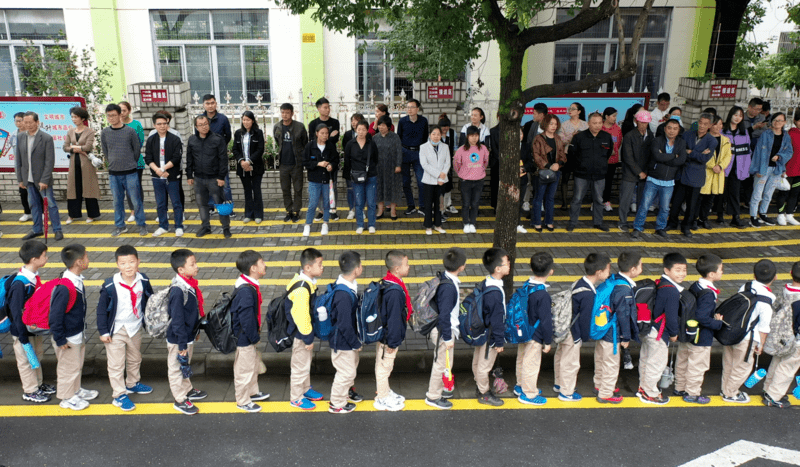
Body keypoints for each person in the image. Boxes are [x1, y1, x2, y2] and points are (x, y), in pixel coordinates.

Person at [96, 245, 155, 412]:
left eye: (131, 262)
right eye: (123, 263)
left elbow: (150, 299)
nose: (128, 266)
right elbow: (101, 310)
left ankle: (132, 383)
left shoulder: (143, 280)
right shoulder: (110, 285)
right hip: (116, 329)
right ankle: (119, 394)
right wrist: (103, 331)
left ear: (138, 262)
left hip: (135, 326)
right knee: (116, 364)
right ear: (117, 264)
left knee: (135, 357)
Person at [552, 253, 611, 401]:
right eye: (608, 269)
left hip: (565, 327)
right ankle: (566, 392)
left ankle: (559, 384)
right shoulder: (588, 294)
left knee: (560, 356)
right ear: (599, 272)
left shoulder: (580, 282)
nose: (609, 272)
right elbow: (585, 319)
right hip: (573, 332)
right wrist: (585, 337)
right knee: (571, 363)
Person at [721, 259, 776, 404]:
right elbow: (764, 326)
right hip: (748, 338)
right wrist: (761, 345)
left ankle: (725, 388)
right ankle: (731, 394)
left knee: (729, 363)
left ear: (754, 274)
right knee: (742, 367)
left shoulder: (746, 286)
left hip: (731, 331)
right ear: (775, 277)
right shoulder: (768, 298)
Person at [50, 244, 97, 411]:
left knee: (76, 365)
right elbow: (55, 316)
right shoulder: (65, 287)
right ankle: (66, 397)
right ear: (78, 262)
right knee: (67, 368)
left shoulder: (75, 280)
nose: (88, 260)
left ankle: (75, 390)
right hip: (68, 337)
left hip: (77, 333)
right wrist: (59, 338)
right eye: (86, 257)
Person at [7, 240, 55, 403]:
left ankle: (38, 384)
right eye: (44, 255)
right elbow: (15, 311)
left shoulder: (33, 276)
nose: (46, 258)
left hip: (32, 327)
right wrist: (22, 336)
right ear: (34, 259)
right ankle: (30, 390)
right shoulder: (21, 283)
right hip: (22, 331)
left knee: (36, 356)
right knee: (26, 361)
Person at [674, 254, 725, 405]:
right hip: (701, 337)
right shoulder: (708, 294)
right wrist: (717, 323)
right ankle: (692, 393)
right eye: (721, 270)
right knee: (697, 366)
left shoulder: (696, 286)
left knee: (682, 361)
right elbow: (702, 317)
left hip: (688, 332)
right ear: (711, 274)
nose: (722, 272)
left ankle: (680, 387)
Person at [637, 252, 686, 405]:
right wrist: (673, 334)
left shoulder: (661, 283)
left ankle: (643, 388)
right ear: (667, 270)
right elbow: (671, 317)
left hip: (649, 329)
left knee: (646, 359)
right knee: (656, 363)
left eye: (684, 270)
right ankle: (650, 393)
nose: (682, 273)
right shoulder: (671, 290)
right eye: (678, 270)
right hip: (659, 332)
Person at [595, 252, 641, 404]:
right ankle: (606, 393)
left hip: (602, 327)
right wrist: (626, 337)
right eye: (641, 265)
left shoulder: (613, 279)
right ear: (633, 270)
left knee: (601, 358)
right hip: (613, 333)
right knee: (611, 363)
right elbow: (624, 315)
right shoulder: (624, 289)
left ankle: (599, 384)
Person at [167, 249, 208, 415]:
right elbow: (177, 319)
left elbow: (191, 313)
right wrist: (182, 343)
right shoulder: (178, 290)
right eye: (192, 264)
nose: (196, 266)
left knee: (184, 364)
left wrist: (194, 331)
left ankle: (187, 389)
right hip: (179, 338)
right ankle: (180, 399)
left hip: (186, 336)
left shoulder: (189, 284)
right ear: (181, 270)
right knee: (176, 367)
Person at [424, 247, 466, 409]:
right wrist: (448, 338)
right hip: (444, 331)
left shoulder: (445, 279)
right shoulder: (448, 287)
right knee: (441, 363)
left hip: (443, 330)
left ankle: (444, 388)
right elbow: (445, 315)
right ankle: (433, 396)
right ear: (461, 266)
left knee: (446, 362)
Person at [631, 119, 687, 238]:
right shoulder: (657, 140)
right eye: (669, 128)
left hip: (669, 182)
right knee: (644, 205)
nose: (672, 131)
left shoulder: (681, 143)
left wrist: (665, 158)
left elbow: (681, 160)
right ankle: (637, 227)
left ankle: (660, 228)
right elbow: (657, 156)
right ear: (665, 129)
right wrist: (673, 156)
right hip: (653, 179)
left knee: (665, 208)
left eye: (675, 128)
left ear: (678, 130)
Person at [230, 250, 270, 413]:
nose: (265, 264)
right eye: (262, 262)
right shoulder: (247, 291)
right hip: (245, 337)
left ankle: (252, 393)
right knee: (244, 369)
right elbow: (246, 318)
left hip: (248, 336)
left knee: (252, 366)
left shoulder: (247, 285)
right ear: (253, 268)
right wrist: (254, 337)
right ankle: (242, 400)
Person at [666, 113, 717, 237]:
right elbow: (680, 151)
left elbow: (704, 158)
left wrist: (690, 152)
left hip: (696, 176)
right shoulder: (688, 134)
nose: (702, 126)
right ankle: (672, 223)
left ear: (710, 125)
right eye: (700, 123)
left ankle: (686, 226)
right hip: (682, 173)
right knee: (676, 201)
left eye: (705, 124)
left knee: (692, 204)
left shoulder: (712, 141)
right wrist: (695, 153)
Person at [16, 111, 64, 241]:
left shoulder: (46, 138)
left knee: (51, 204)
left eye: (31, 122)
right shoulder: (20, 137)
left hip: (43, 180)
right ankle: (37, 229)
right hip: (28, 179)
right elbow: (18, 160)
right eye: (25, 123)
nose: (28, 125)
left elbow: (50, 162)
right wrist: (20, 179)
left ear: (37, 122)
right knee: (33, 205)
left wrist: (44, 180)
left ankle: (57, 230)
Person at [374, 250, 412, 412]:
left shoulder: (388, 282)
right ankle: (382, 398)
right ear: (397, 269)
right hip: (388, 338)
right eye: (406, 264)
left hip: (385, 334)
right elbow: (394, 319)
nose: (409, 267)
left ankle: (385, 391)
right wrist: (393, 341)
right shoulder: (395, 292)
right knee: (384, 367)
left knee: (383, 364)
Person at [287, 248, 324, 410]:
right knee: (300, 366)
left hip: (303, 332)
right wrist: (308, 337)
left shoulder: (307, 282)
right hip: (301, 334)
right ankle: (296, 397)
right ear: (308, 268)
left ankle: (305, 389)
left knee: (305, 363)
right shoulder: (302, 289)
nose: (322, 267)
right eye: (320, 264)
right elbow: (301, 316)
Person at [516, 252, 555, 406]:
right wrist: (548, 341)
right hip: (535, 335)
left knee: (522, 359)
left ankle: (520, 386)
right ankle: (529, 394)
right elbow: (546, 321)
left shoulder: (527, 285)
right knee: (531, 364)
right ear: (551, 271)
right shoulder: (543, 295)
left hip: (523, 330)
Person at [329, 251, 365, 414]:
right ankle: (336, 403)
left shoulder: (347, 285)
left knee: (350, 369)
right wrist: (355, 343)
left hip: (346, 339)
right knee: (346, 372)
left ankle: (346, 394)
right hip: (343, 341)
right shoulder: (343, 294)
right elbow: (343, 324)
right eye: (361, 265)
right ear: (357, 269)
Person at [102, 104, 146, 237]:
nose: (111, 118)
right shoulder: (105, 132)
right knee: (117, 201)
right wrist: (112, 162)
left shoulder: (130, 131)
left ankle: (141, 224)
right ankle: (120, 226)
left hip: (130, 171)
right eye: (109, 115)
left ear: (120, 115)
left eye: (114, 115)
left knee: (136, 200)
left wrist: (130, 162)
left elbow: (136, 150)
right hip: (114, 173)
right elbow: (105, 150)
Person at [761, 261, 800, 408]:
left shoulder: (785, 290)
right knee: (788, 367)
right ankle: (774, 395)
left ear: (790, 273)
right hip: (795, 340)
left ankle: (767, 388)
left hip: (780, 336)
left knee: (776, 362)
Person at [186, 115, 231, 238]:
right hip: (199, 179)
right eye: (200, 125)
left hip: (214, 179)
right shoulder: (192, 140)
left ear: (209, 124)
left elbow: (223, 159)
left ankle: (226, 227)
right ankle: (205, 227)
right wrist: (189, 175)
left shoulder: (217, 139)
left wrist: (221, 177)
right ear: (196, 127)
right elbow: (189, 159)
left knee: (221, 204)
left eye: (206, 124)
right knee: (202, 204)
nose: (204, 127)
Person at [474, 248, 509, 406]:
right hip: (491, 335)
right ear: (498, 268)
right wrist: (499, 341)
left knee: (478, 361)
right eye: (507, 262)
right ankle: (484, 393)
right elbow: (497, 319)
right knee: (485, 365)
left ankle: (479, 385)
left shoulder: (486, 282)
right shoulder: (495, 293)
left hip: (482, 331)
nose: (509, 264)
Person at [567, 112, 613, 232]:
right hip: (581, 174)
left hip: (599, 175)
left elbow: (608, 153)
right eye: (594, 123)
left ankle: (598, 222)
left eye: (599, 123)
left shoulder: (606, 137)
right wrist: (580, 166)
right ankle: (572, 222)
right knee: (577, 199)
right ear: (588, 123)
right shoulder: (579, 137)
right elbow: (572, 154)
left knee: (598, 200)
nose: (597, 125)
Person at [144, 113, 185, 238]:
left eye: (164, 124)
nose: (162, 126)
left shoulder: (174, 139)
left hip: (171, 175)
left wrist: (163, 168)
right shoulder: (151, 139)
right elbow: (148, 157)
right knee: (160, 203)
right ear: (154, 125)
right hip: (157, 176)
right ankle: (163, 226)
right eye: (159, 124)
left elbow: (176, 157)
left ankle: (178, 226)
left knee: (176, 202)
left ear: (168, 124)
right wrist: (157, 170)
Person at [750, 112, 792, 227]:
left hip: (776, 169)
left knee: (769, 193)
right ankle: (753, 216)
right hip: (763, 168)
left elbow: (789, 152)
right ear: (771, 121)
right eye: (775, 120)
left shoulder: (786, 136)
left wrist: (779, 157)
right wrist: (756, 169)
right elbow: (757, 152)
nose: (777, 122)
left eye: (780, 120)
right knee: (757, 193)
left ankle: (763, 213)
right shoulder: (765, 134)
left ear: (784, 122)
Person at [196, 95, 234, 212]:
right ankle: (212, 207)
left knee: (225, 185)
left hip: (220, 157)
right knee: (208, 185)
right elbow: (197, 137)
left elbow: (228, 136)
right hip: (206, 159)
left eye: (212, 103)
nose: (210, 105)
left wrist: (220, 147)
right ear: (203, 105)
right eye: (207, 103)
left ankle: (227, 209)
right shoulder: (200, 119)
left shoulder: (223, 119)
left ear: (216, 104)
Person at [619, 110, 654, 232]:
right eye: (641, 122)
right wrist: (639, 172)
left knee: (642, 200)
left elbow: (651, 155)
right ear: (636, 121)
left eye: (646, 123)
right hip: (630, 172)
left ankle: (638, 222)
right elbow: (627, 157)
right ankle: (622, 221)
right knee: (626, 199)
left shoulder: (650, 135)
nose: (643, 125)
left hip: (644, 172)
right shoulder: (629, 135)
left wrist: (646, 171)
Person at [64, 106, 100, 224]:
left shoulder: (89, 131)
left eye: (76, 117)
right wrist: (78, 148)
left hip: (87, 164)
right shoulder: (70, 131)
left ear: (82, 118)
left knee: (89, 188)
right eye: (72, 117)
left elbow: (88, 147)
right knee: (73, 189)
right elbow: (65, 147)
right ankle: (72, 215)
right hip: (74, 163)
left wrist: (73, 147)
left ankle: (92, 215)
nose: (73, 119)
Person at [302, 125, 339, 237]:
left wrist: (331, 166)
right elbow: (305, 162)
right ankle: (308, 225)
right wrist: (318, 164)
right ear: (317, 133)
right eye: (322, 133)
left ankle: (325, 224)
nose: (325, 135)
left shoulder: (330, 146)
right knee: (312, 204)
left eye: (326, 133)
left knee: (327, 204)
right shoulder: (310, 146)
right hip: (314, 180)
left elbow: (336, 160)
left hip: (327, 180)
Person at [531, 114, 566, 232]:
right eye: (551, 123)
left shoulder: (558, 138)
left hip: (556, 172)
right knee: (538, 198)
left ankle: (549, 221)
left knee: (550, 198)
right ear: (545, 124)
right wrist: (548, 165)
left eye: (555, 124)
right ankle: (536, 222)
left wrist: (558, 164)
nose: (554, 126)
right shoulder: (538, 138)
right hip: (542, 172)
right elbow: (536, 156)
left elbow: (562, 155)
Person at [274, 103, 308, 223]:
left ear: (292, 113)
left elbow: (305, 142)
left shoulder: (299, 126)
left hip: (296, 164)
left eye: (287, 112)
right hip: (283, 164)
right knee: (285, 189)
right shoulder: (277, 126)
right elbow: (278, 142)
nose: (284, 115)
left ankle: (297, 211)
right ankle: (289, 211)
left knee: (298, 189)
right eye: (282, 112)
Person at [718, 106, 752, 227]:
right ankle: (719, 214)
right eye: (735, 115)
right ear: (730, 115)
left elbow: (748, 151)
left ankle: (735, 217)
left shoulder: (744, 131)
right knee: (721, 192)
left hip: (738, 168)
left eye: (740, 116)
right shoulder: (723, 130)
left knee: (734, 192)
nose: (738, 118)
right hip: (724, 167)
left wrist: (746, 167)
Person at [309, 98, 341, 221]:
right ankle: (321, 210)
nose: (327, 109)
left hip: (331, 158)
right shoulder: (313, 124)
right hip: (318, 160)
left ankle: (333, 210)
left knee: (332, 186)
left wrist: (326, 139)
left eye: (328, 107)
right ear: (318, 108)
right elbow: (314, 142)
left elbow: (335, 139)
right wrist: (329, 137)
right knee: (319, 187)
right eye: (325, 107)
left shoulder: (335, 122)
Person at [698, 116, 731, 230]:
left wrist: (721, 166)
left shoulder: (725, 140)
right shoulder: (704, 138)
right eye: (716, 124)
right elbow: (702, 154)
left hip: (718, 173)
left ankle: (704, 218)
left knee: (710, 199)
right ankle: (695, 218)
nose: (718, 127)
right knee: (700, 198)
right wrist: (713, 166)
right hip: (706, 172)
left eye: (721, 124)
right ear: (710, 125)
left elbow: (728, 156)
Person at [453, 125, 489, 233]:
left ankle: (472, 223)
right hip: (466, 181)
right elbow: (456, 164)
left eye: (476, 135)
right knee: (466, 203)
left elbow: (485, 162)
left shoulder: (483, 149)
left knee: (475, 203)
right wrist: (462, 173)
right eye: (471, 135)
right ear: (467, 136)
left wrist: (479, 171)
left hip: (479, 181)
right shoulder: (461, 150)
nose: (474, 138)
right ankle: (466, 223)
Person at [346, 120, 379, 234]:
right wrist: (348, 176)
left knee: (371, 202)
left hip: (371, 176)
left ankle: (371, 224)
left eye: (363, 130)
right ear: (356, 129)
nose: (360, 132)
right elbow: (347, 161)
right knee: (359, 202)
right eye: (358, 129)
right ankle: (360, 224)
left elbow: (376, 159)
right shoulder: (350, 144)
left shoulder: (371, 143)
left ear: (367, 131)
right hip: (356, 177)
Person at [233, 111, 265, 224]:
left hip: (256, 167)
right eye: (244, 120)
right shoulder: (238, 133)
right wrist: (242, 161)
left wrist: (249, 161)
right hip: (242, 167)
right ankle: (248, 214)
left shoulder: (258, 133)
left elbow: (260, 149)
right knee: (247, 191)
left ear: (252, 120)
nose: (246, 122)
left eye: (248, 120)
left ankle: (258, 214)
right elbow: (235, 149)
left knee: (256, 190)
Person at [397, 99, 428, 215]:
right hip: (404, 152)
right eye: (407, 107)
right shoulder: (402, 121)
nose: (409, 109)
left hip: (419, 153)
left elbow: (425, 138)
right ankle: (411, 205)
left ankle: (423, 206)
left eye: (412, 107)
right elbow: (398, 138)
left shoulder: (423, 121)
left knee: (421, 181)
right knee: (405, 182)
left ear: (417, 109)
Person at [419, 124, 450, 235]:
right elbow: (424, 164)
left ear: (441, 135)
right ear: (429, 135)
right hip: (429, 181)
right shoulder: (423, 147)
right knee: (428, 204)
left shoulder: (445, 147)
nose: (436, 136)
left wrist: (443, 175)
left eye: (438, 134)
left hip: (442, 181)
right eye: (434, 134)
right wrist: (438, 175)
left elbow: (448, 163)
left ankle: (438, 225)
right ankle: (428, 226)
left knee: (439, 204)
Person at [119, 101, 146, 223]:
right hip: (121, 163)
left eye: (124, 110)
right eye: (119, 110)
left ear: (129, 111)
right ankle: (132, 211)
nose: (122, 113)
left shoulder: (136, 125)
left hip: (135, 162)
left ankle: (139, 210)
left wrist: (131, 156)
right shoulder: (116, 125)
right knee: (127, 188)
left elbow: (139, 143)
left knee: (136, 187)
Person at [373, 115, 403, 220]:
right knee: (379, 189)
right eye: (379, 125)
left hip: (392, 168)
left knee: (393, 189)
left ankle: (393, 211)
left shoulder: (395, 137)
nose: (381, 127)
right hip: (379, 168)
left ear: (388, 126)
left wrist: (398, 165)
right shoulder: (375, 138)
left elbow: (399, 152)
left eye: (383, 125)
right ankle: (380, 211)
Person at [558, 102, 588, 210]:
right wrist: (572, 136)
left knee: (578, 180)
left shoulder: (585, 125)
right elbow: (561, 140)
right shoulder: (564, 124)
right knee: (565, 178)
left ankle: (576, 202)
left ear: (579, 111)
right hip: (568, 154)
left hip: (581, 156)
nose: (570, 110)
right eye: (569, 108)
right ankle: (564, 202)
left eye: (573, 108)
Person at [776, 110, 800, 226]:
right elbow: (783, 152)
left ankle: (789, 215)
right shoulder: (789, 134)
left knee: (794, 194)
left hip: (799, 171)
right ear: (795, 121)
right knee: (783, 193)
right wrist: (781, 168)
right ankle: (780, 215)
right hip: (787, 170)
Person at [11, 112, 33, 223]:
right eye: (16, 121)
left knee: (36, 191)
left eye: (20, 120)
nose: (18, 123)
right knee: (23, 192)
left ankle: (42, 213)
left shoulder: (31, 134)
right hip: (21, 168)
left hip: (33, 167)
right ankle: (27, 213)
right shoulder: (13, 135)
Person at [342, 113, 364, 219]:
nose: (354, 122)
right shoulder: (347, 135)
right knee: (350, 189)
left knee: (361, 190)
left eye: (356, 120)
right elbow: (345, 150)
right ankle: (351, 209)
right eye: (352, 120)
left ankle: (361, 210)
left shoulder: (366, 135)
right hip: (349, 167)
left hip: (362, 168)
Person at [601, 107, 623, 212]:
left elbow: (618, 143)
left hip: (612, 161)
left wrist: (612, 152)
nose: (615, 118)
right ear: (606, 116)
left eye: (616, 116)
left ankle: (606, 201)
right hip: (600, 160)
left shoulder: (617, 129)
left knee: (609, 182)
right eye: (613, 116)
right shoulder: (600, 127)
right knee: (597, 182)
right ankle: (596, 201)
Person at [438, 114, 459, 216]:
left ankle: (448, 204)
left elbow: (455, 148)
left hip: (449, 164)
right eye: (443, 126)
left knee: (448, 185)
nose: (445, 129)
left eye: (447, 126)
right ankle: (441, 207)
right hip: (438, 165)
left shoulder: (453, 133)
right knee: (441, 186)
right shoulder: (435, 134)